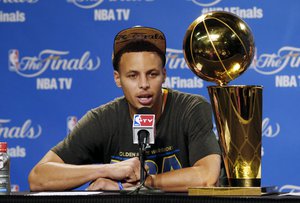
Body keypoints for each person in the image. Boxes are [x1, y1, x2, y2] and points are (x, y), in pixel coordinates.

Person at [28, 26, 221, 192]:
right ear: (117, 78)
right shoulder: (103, 119)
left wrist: (145, 183)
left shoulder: (190, 108)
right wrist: (104, 170)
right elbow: (38, 177)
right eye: (133, 76)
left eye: (152, 74)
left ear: (164, 75)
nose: (144, 84)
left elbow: (207, 176)